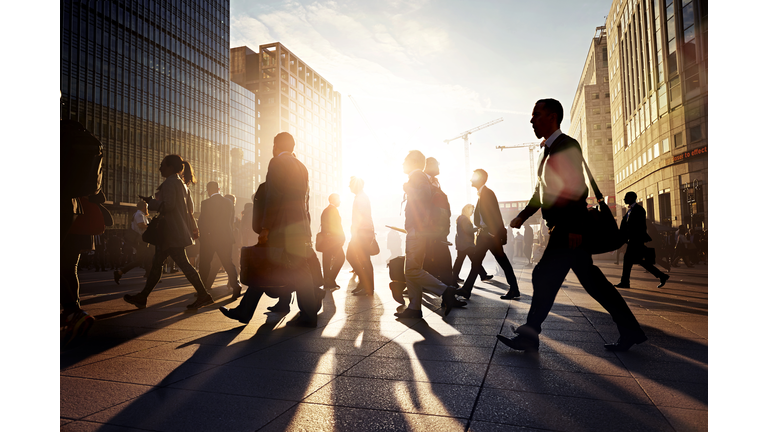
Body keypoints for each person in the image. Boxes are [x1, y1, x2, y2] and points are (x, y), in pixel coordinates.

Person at [498, 98, 646, 352]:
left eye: (537, 115)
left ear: (553, 117)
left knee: (544, 276)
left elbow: (577, 188)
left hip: (568, 230)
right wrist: (523, 216)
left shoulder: (567, 145)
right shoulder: (546, 152)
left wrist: (576, 227)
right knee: (592, 283)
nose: (532, 120)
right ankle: (630, 330)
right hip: (563, 229)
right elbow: (540, 193)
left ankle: (530, 334)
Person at [221, 132, 318, 326]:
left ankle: (247, 311)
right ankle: (306, 314)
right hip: (299, 226)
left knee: (266, 266)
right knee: (296, 270)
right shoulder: (302, 166)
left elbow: (274, 197)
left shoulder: (277, 163)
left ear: (276, 146)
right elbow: (305, 201)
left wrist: (265, 228)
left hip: (282, 226)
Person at [123, 154, 213, 310]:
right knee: (157, 263)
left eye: (162, 165)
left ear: (171, 167)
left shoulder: (170, 182)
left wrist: (151, 202)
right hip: (174, 231)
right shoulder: (181, 184)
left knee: (182, 265)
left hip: (171, 232)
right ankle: (143, 297)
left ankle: (203, 295)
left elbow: (169, 206)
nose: (160, 168)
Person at [395, 150, 465, 319]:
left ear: (413, 162)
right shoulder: (420, 176)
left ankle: (445, 291)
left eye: (405, 160)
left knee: (411, 270)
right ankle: (414, 307)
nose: (402, 163)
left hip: (417, 231)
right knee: (412, 269)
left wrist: (408, 188)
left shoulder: (417, 175)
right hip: (418, 230)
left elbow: (423, 196)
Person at [455, 169, 520, 300]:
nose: (470, 180)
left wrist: (492, 233)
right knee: (477, 262)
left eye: (473, 177)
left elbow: (495, 214)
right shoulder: (482, 194)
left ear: (480, 179)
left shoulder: (487, 193)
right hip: (485, 235)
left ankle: (514, 289)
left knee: (501, 261)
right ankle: (467, 290)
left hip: (489, 236)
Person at [614, 192, 670, 289]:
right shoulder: (629, 211)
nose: (624, 199)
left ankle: (625, 282)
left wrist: (631, 236)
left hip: (636, 240)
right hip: (632, 240)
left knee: (628, 260)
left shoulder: (639, 210)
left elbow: (639, 226)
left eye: (626, 197)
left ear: (631, 198)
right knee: (640, 261)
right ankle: (662, 276)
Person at [197, 181, 243, 300]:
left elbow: (203, 221)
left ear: (208, 190)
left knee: (205, 263)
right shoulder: (228, 202)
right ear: (219, 189)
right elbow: (231, 221)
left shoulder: (206, 203)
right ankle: (236, 284)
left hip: (210, 238)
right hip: (226, 237)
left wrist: (203, 235)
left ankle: (202, 289)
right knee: (228, 262)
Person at [422, 157, 455, 285]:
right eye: (437, 165)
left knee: (437, 259)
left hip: (439, 229)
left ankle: (448, 287)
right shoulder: (423, 180)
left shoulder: (435, 182)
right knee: (438, 258)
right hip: (429, 229)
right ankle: (448, 288)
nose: (439, 168)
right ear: (429, 164)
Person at [346, 176, 376, 296]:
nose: (349, 186)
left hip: (362, 233)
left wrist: (355, 230)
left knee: (359, 258)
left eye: (350, 184)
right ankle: (364, 283)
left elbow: (362, 216)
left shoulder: (361, 198)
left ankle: (367, 286)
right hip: (362, 232)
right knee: (361, 259)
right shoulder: (360, 197)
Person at [451, 204, 490, 283]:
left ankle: (454, 277)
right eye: (472, 210)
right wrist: (479, 228)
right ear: (467, 210)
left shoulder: (460, 218)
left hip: (462, 243)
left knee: (460, 260)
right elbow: (468, 230)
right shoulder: (464, 219)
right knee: (475, 260)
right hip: (467, 244)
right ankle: (483, 275)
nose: (472, 212)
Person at [114, 201, 151, 283]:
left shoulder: (140, 214)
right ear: (144, 207)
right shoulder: (139, 214)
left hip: (142, 240)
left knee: (147, 258)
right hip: (140, 240)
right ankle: (120, 272)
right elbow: (141, 225)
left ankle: (150, 276)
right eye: (147, 207)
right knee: (142, 260)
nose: (147, 208)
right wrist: (150, 227)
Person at [319, 193, 346, 291]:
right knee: (341, 258)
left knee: (327, 260)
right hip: (333, 240)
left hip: (327, 240)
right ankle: (330, 279)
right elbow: (337, 226)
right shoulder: (333, 210)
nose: (340, 201)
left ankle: (328, 282)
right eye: (338, 199)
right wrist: (342, 237)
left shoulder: (326, 210)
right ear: (333, 200)